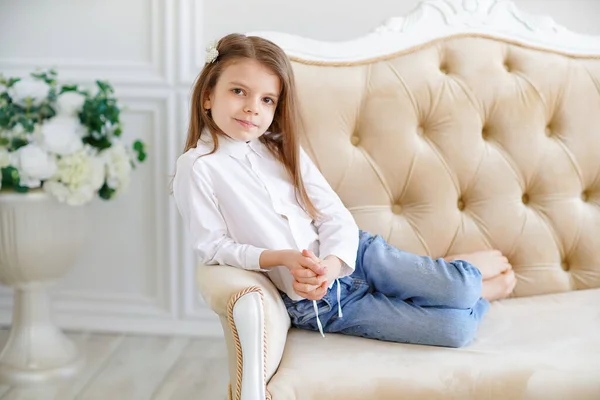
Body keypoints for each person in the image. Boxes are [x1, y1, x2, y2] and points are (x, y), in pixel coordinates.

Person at [172, 33, 517, 348]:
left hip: (356, 254)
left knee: (460, 287)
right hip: (317, 303)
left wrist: (333, 264)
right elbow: (214, 247)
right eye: (238, 92)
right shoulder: (198, 167)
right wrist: (280, 258)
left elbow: (332, 212)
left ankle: (459, 277)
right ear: (207, 96)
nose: (252, 108)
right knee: (455, 331)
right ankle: (476, 292)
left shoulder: (279, 147)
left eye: (267, 100)